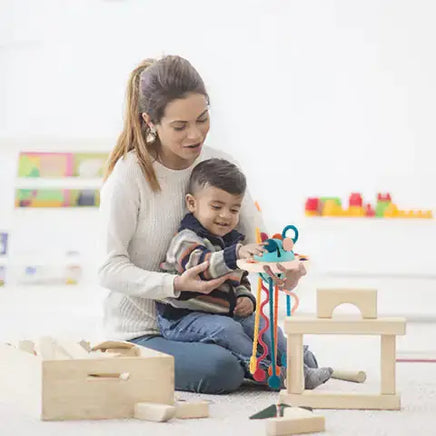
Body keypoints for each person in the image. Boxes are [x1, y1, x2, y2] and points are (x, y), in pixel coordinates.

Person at [99, 55, 314, 394]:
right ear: (150, 121)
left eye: (202, 119)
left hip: (213, 318)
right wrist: (173, 284)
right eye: (180, 127)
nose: (195, 134)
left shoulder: (221, 165)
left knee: (300, 360)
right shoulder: (129, 176)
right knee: (221, 370)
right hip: (145, 329)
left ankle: (266, 363)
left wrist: (281, 268)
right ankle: (258, 364)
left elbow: (256, 242)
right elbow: (108, 268)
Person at [155, 157, 333, 389]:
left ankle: (297, 365)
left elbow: (239, 278)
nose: (226, 216)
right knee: (229, 330)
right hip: (183, 319)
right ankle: (280, 373)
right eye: (216, 207)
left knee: (262, 325)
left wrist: (244, 296)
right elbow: (202, 266)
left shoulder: (230, 240)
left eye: (234, 209)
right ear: (192, 203)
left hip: (224, 313)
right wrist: (235, 255)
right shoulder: (185, 239)